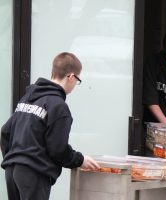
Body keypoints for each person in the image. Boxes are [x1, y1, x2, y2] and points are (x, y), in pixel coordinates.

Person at [0, 52, 100, 200]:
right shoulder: (58, 106)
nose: (75, 85)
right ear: (71, 77)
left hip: (12, 171)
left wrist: (13, 158)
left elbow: (5, 132)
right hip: (34, 174)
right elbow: (58, 149)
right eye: (77, 80)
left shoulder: (28, 98)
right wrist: (80, 160)